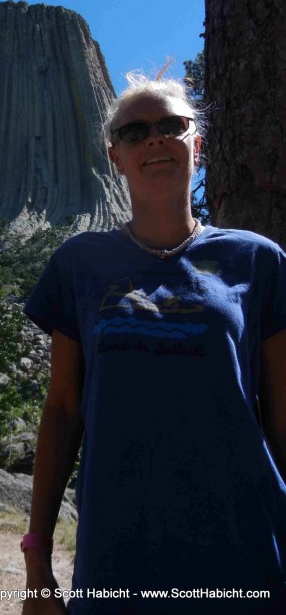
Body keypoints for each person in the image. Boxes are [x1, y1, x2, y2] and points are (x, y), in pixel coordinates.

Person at [21, 73, 286, 614]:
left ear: (198, 143)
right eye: (135, 131)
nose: (155, 139)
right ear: (115, 157)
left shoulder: (258, 260)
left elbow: (283, 416)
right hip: (117, 555)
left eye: (172, 125)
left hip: (247, 549)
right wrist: (36, 561)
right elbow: (64, 411)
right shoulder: (80, 263)